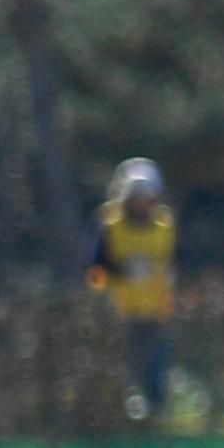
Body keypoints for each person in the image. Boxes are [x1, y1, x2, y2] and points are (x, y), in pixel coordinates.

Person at [84, 162, 177, 421]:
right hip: (118, 309)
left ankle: (156, 408)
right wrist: (119, 275)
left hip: (154, 308)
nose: (140, 202)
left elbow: (171, 263)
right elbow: (96, 264)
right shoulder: (109, 221)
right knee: (120, 363)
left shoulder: (164, 223)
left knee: (156, 362)